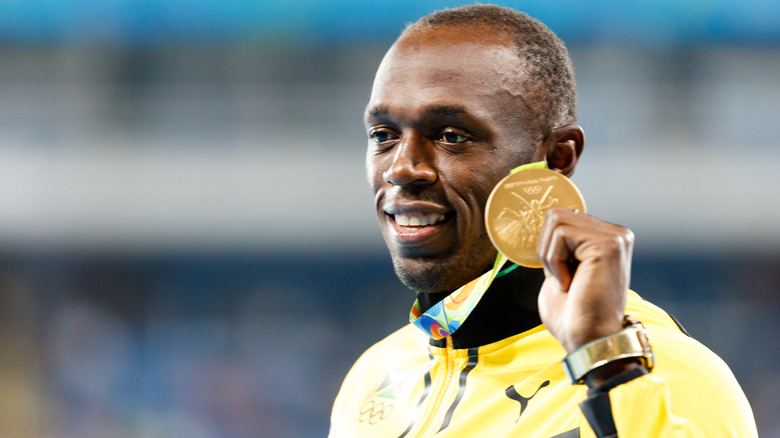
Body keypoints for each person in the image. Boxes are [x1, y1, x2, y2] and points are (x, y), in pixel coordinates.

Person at [330, 4, 757, 437]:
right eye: (383, 135)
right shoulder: (375, 375)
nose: (401, 169)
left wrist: (605, 364)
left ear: (557, 156)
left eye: (451, 136)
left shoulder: (668, 376)